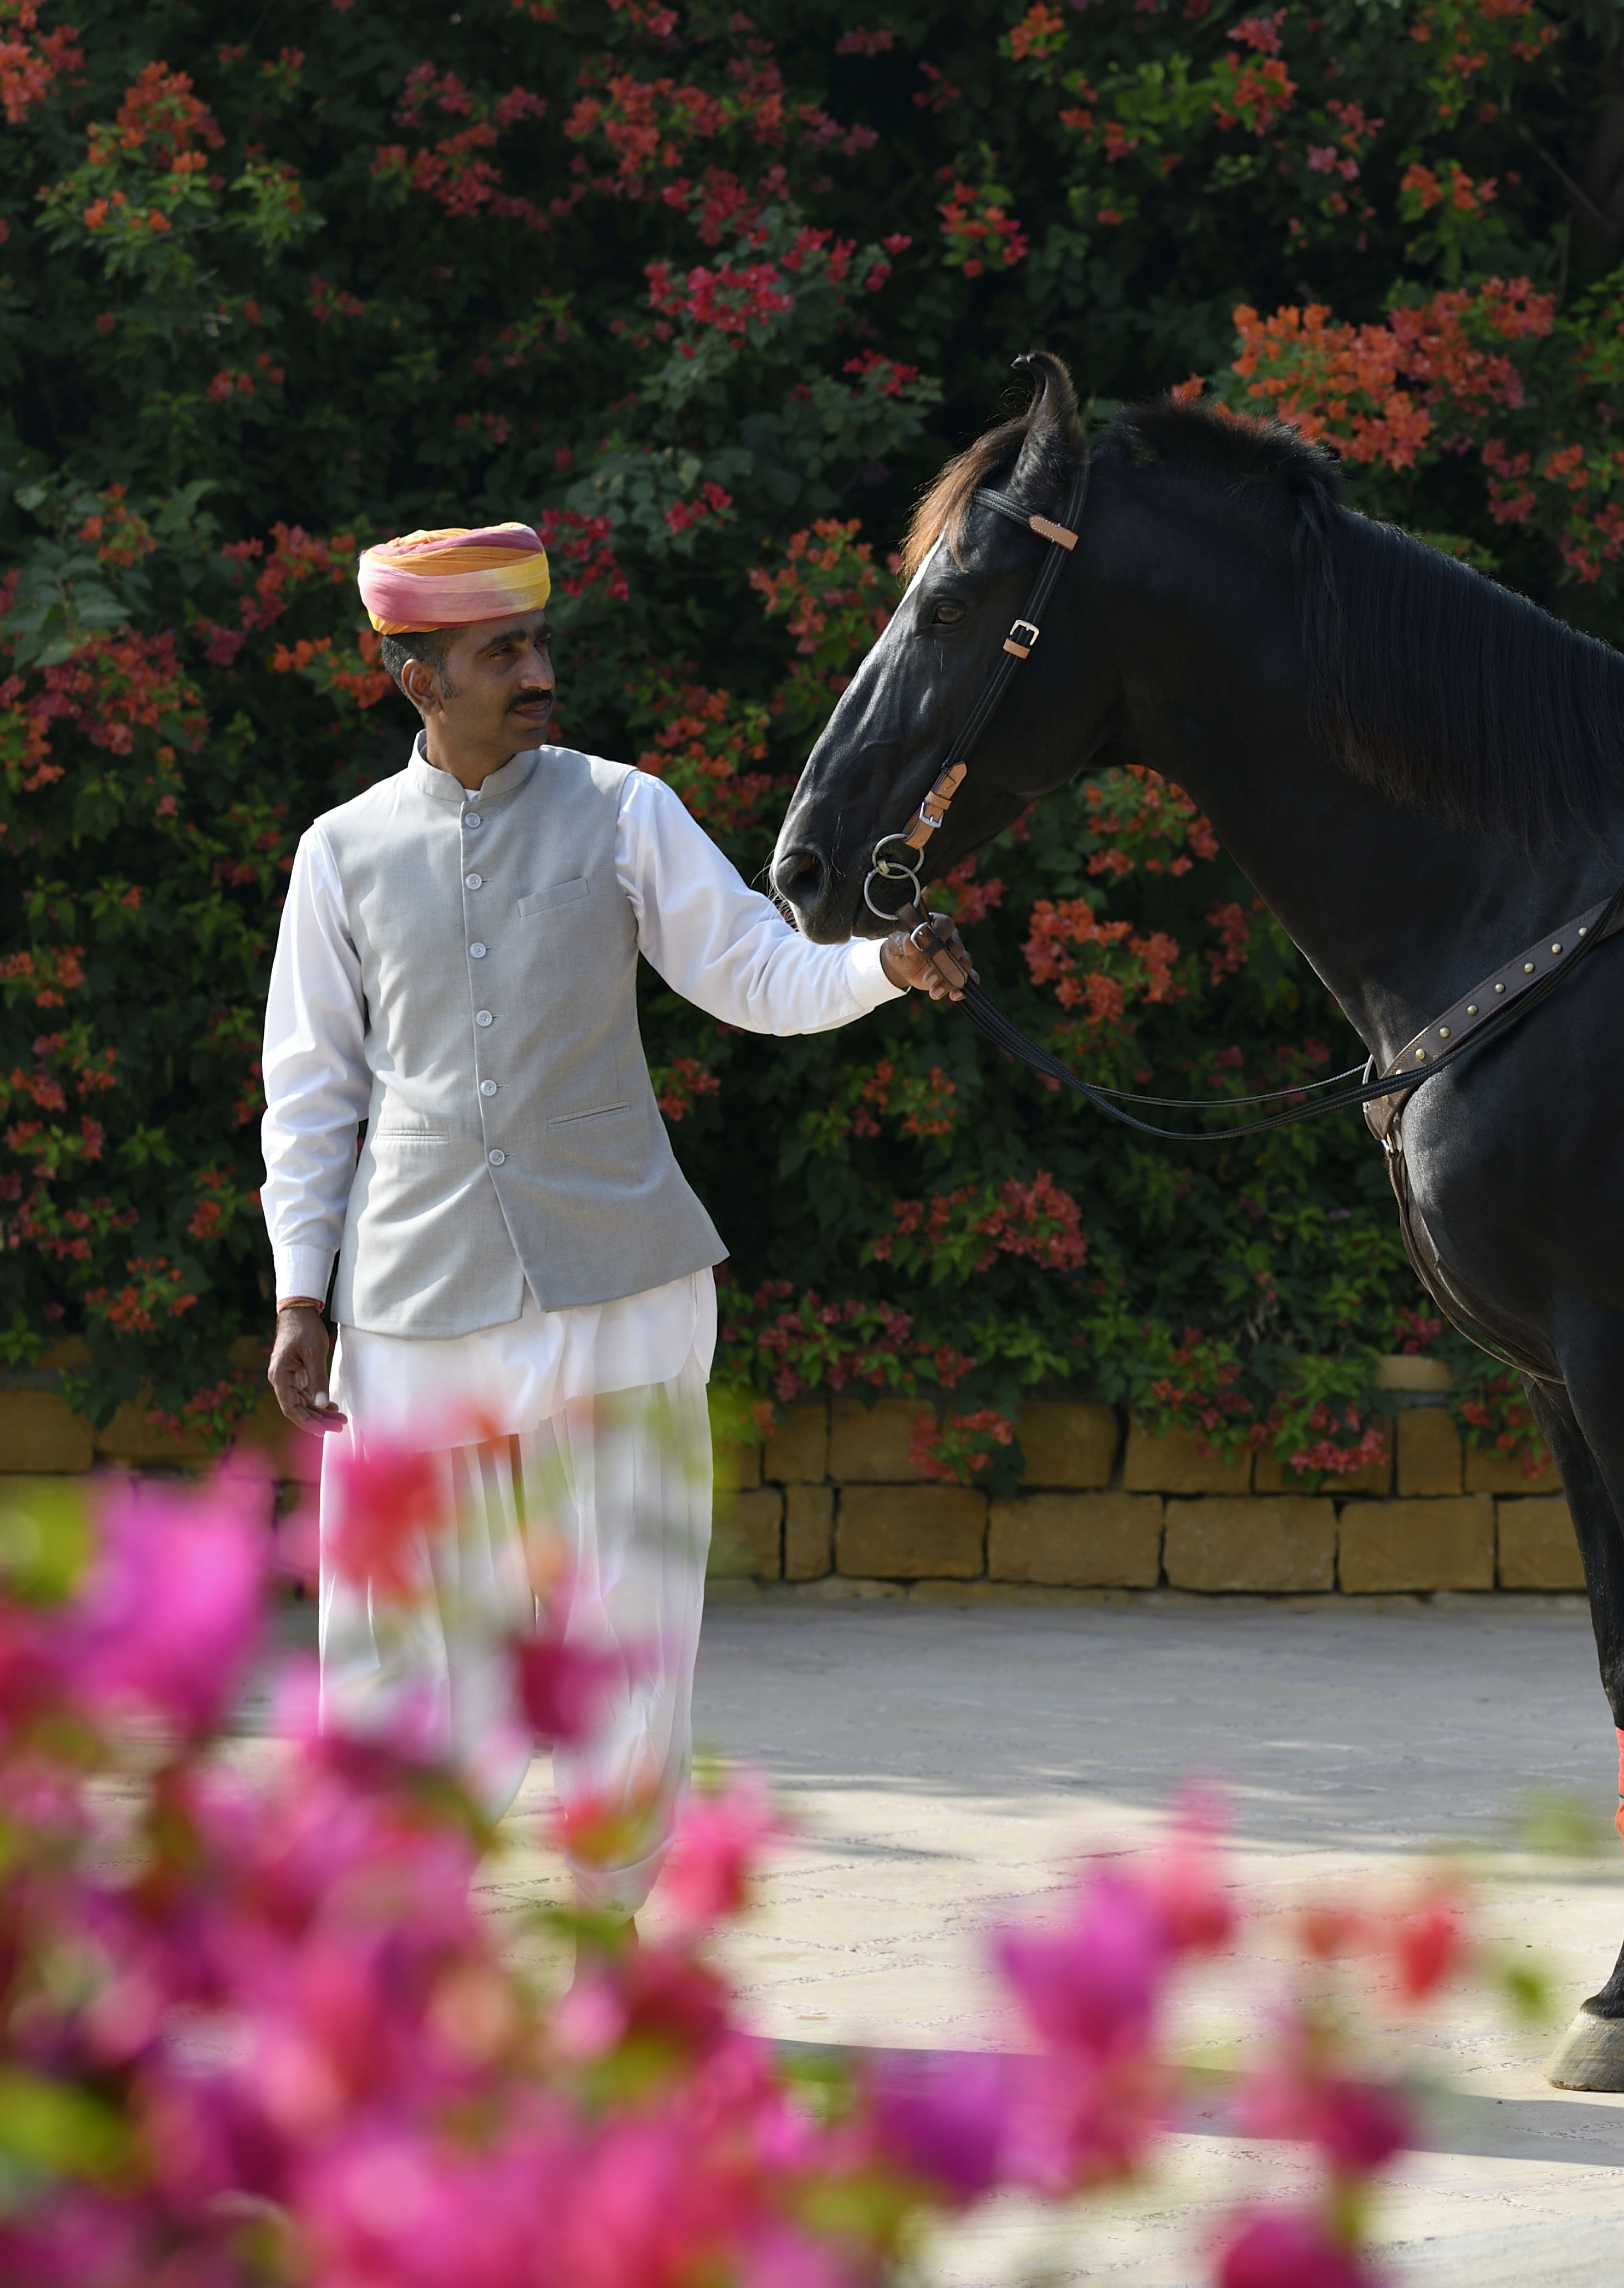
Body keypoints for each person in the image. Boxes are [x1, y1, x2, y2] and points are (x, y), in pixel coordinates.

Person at [257, 521, 958, 1914]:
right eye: (499, 652)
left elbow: (753, 970)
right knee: (399, 1642)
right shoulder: (338, 854)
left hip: (626, 1286)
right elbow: (310, 1088)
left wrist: (882, 965)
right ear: (417, 679)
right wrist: (298, 1293)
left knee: (628, 1634)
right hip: (406, 1299)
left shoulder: (626, 808)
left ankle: (603, 1929)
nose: (537, 672)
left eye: (537, 643)